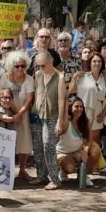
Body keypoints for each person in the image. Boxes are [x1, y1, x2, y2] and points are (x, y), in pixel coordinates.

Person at [0, 51, 35, 184]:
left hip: (23, 114)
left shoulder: (29, 79)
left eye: (22, 66)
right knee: (7, 141)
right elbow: (0, 94)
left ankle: (22, 169)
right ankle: (5, 171)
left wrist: (19, 113)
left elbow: (29, 98)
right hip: (7, 113)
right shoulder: (5, 77)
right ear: (11, 66)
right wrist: (14, 112)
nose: (20, 68)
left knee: (24, 141)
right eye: (17, 66)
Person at [31, 52, 63, 190]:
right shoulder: (38, 75)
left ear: (51, 62)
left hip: (52, 116)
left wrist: (60, 121)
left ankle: (55, 179)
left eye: (43, 65)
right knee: (38, 147)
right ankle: (41, 176)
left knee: (49, 147)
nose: (40, 68)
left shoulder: (59, 77)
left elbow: (62, 101)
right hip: (38, 115)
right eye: (38, 65)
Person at [55, 94, 100, 187]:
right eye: (76, 106)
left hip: (78, 151)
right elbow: (62, 105)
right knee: (70, 168)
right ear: (70, 108)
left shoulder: (85, 121)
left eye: (81, 107)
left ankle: (83, 175)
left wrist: (85, 150)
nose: (79, 109)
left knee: (96, 150)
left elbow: (90, 140)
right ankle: (63, 170)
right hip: (63, 152)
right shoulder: (66, 121)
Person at [69, 53, 106, 143]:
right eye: (94, 61)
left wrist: (103, 113)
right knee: (82, 138)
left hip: (98, 110)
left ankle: (94, 157)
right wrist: (74, 78)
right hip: (83, 110)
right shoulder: (82, 76)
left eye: (99, 61)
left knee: (95, 139)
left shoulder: (104, 78)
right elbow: (71, 91)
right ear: (90, 63)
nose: (97, 63)